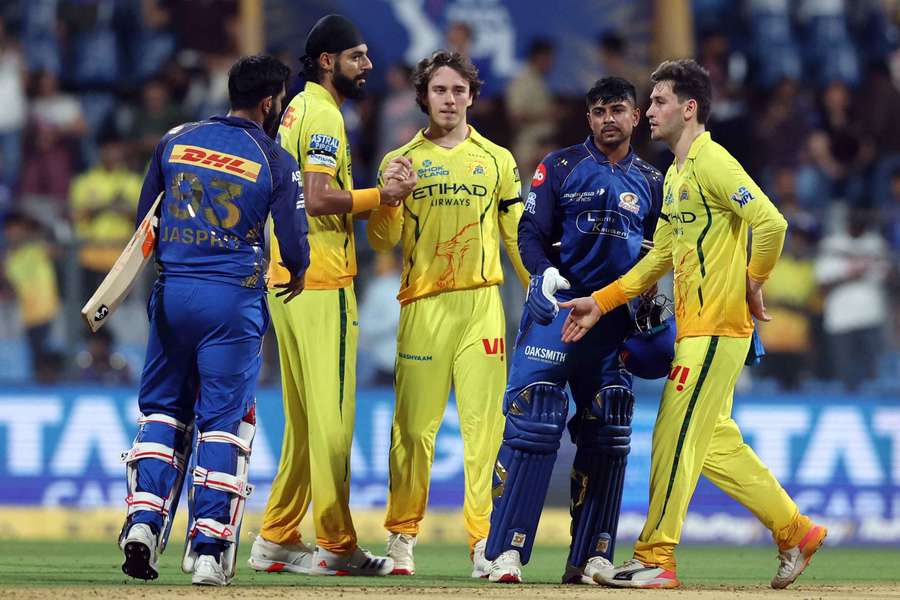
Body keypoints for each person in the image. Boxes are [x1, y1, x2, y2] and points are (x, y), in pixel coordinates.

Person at [560, 59, 826, 590]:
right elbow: (658, 255)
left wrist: (754, 279)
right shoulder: (679, 173)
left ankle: (656, 556)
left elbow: (770, 221)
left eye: (657, 102)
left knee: (674, 437)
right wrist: (601, 301)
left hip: (716, 329)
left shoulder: (712, 162)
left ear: (689, 108)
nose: (649, 110)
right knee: (713, 444)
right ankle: (796, 532)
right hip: (700, 331)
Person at [117, 54, 310, 587]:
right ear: (269, 102)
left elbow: (144, 225)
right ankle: (207, 550)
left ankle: (141, 523)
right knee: (223, 423)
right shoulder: (274, 157)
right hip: (233, 302)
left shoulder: (176, 139)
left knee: (162, 413)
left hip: (173, 293)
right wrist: (297, 270)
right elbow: (294, 243)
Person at [248, 14, 415, 577]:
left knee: (300, 422)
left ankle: (275, 536)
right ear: (327, 60)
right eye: (357, 56)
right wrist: (382, 193)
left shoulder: (294, 107)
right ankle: (337, 544)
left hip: (285, 279)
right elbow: (319, 198)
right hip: (320, 281)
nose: (368, 65)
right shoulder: (322, 113)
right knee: (333, 425)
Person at [483, 77, 663, 585]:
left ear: (634, 117)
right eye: (599, 110)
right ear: (588, 118)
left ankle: (592, 556)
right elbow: (529, 231)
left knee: (609, 425)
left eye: (618, 110)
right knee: (535, 417)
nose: (609, 118)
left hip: (612, 322)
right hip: (559, 313)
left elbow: (658, 250)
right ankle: (505, 552)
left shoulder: (652, 179)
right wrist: (543, 274)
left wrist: (651, 300)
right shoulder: (559, 166)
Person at [369, 49, 530, 577]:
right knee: (413, 431)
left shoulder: (498, 160)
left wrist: (540, 293)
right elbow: (382, 241)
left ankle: (485, 543)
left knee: (485, 430)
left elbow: (517, 238)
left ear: (471, 96)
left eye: (458, 90)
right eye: (440, 90)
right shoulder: (401, 160)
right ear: (424, 96)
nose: (449, 99)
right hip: (423, 306)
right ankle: (401, 538)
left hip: (482, 305)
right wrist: (389, 198)